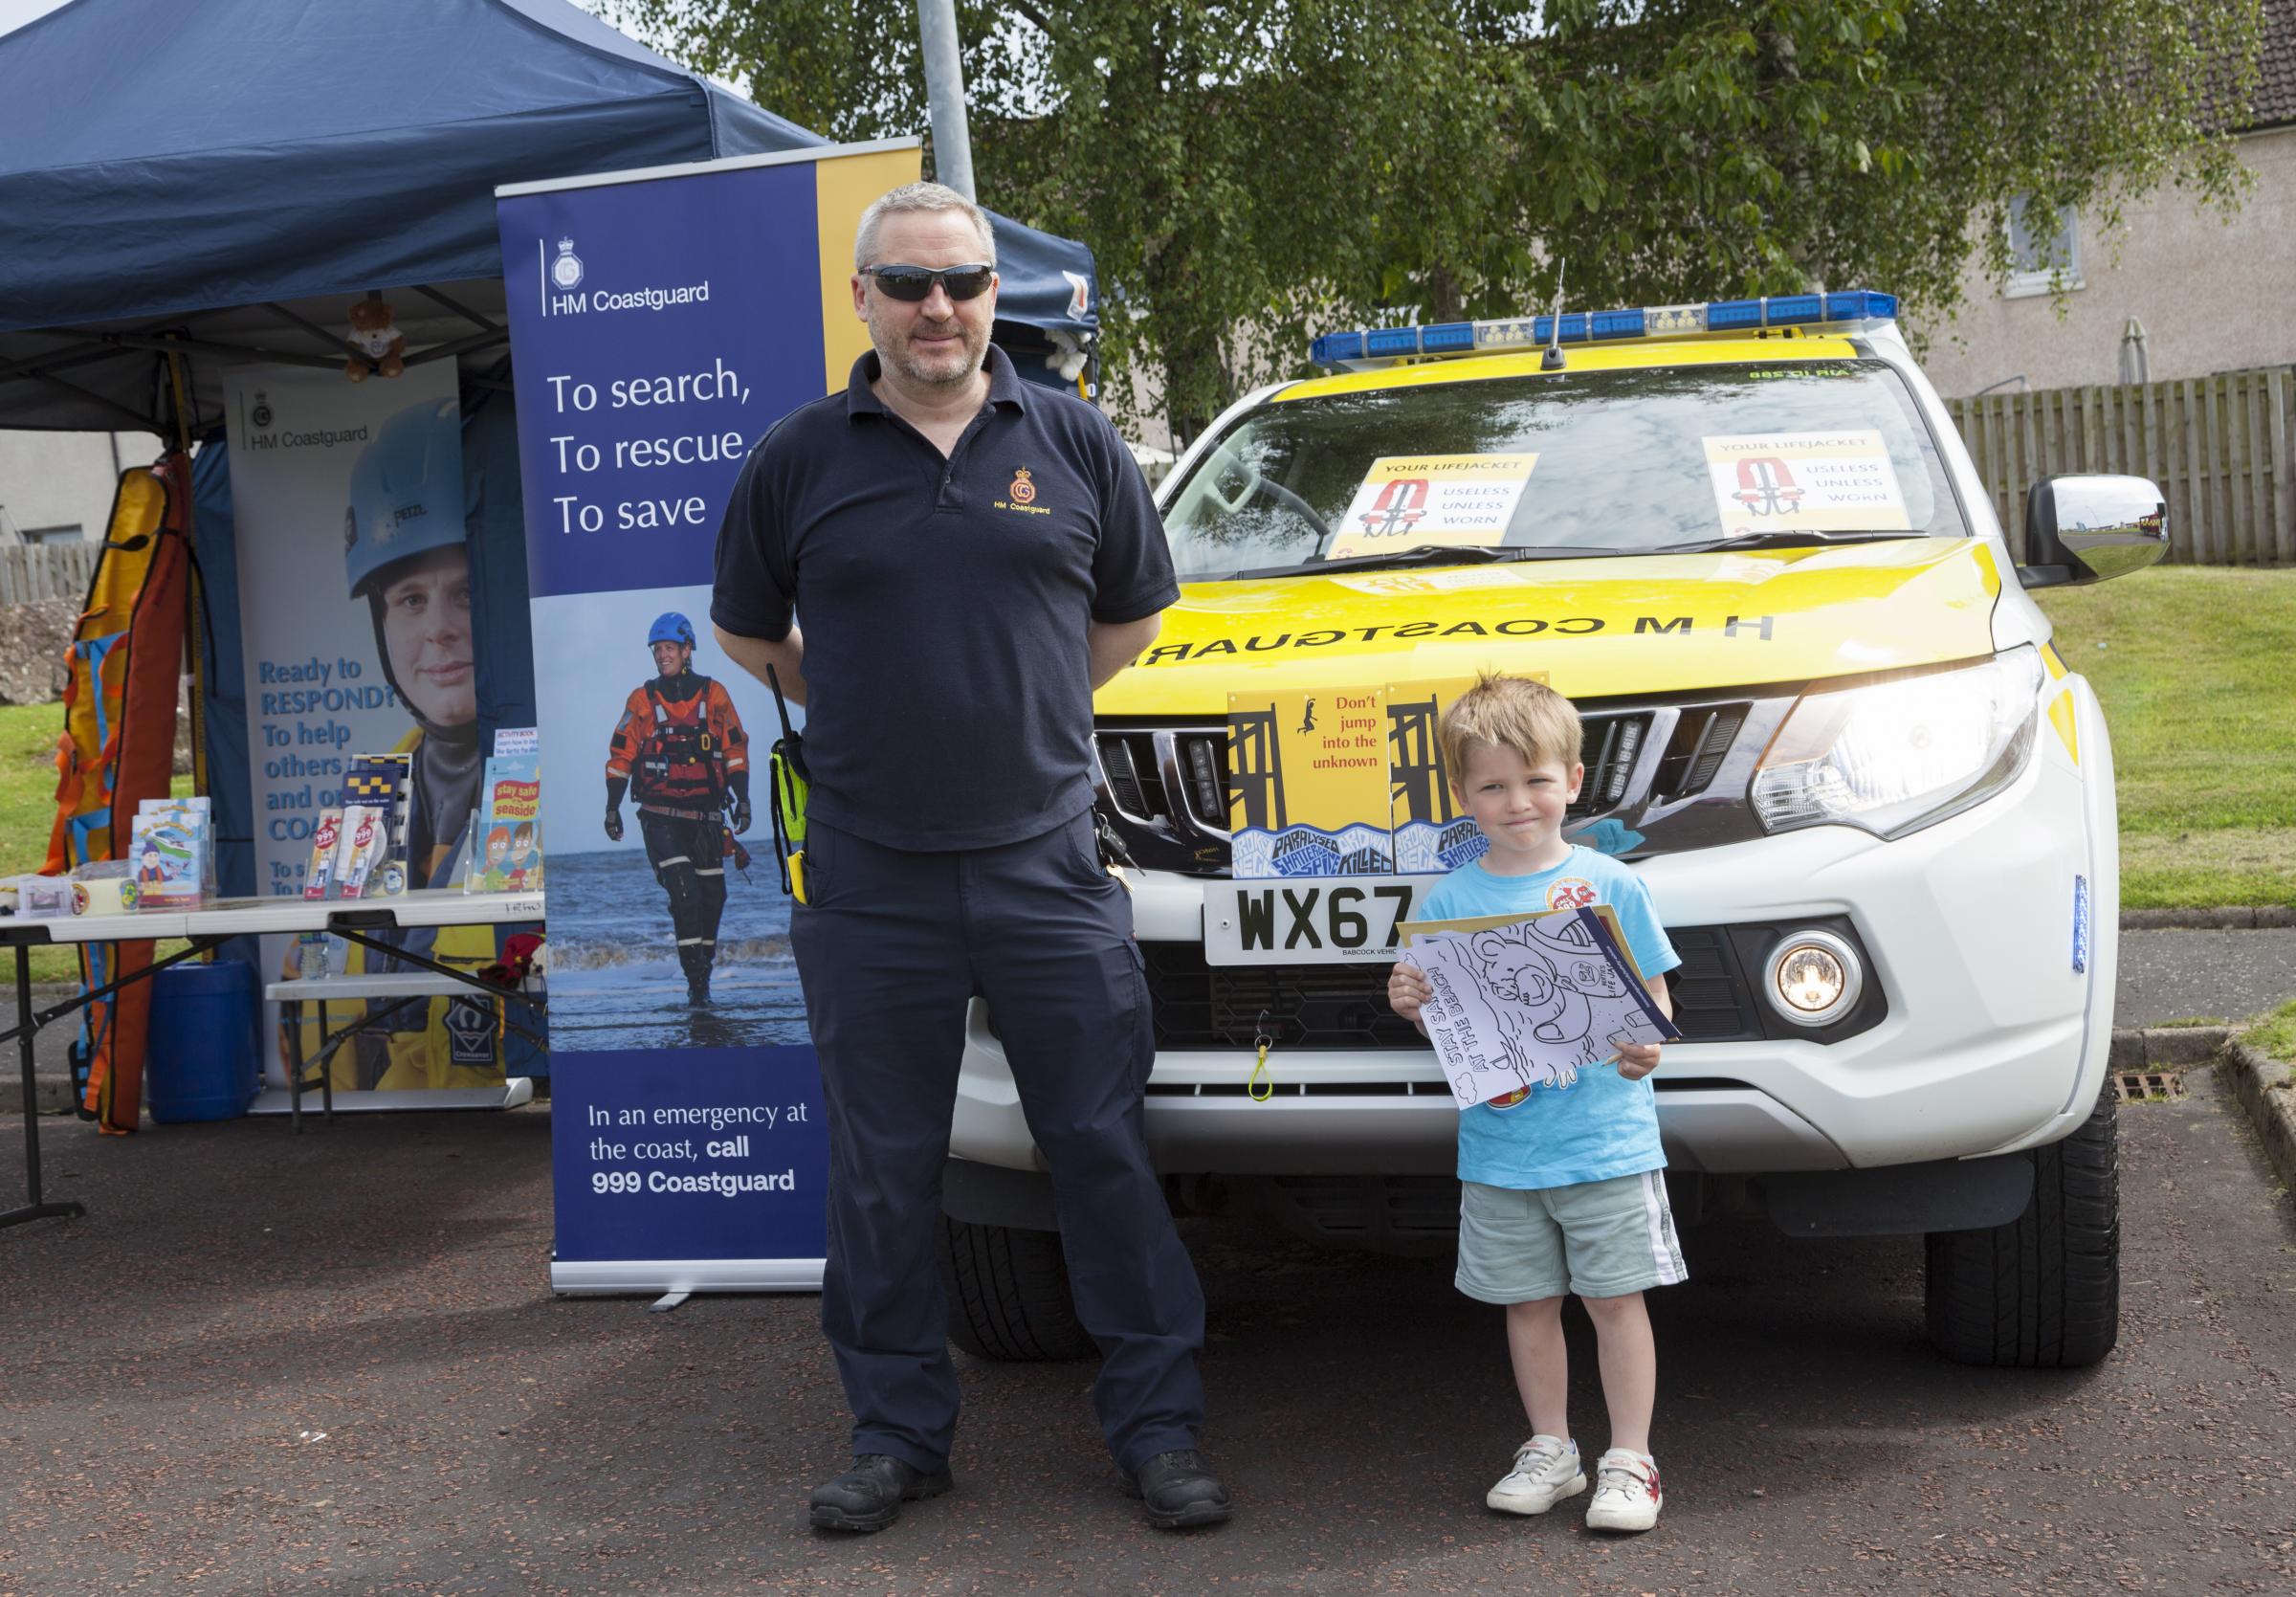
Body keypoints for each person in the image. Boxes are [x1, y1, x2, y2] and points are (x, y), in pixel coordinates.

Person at [710, 182, 1223, 1533]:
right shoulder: (797, 457)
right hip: (871, 876)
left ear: (997, 294)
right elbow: (750, 635)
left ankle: (1158, 1429)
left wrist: (1030, 715)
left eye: (964, 282)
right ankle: (897, 1433)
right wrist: (862, 714)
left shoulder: (1072, 439)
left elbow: (1128, 621)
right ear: (862, 297)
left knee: (1100, 1148)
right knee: (884, 1168)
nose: (939, 307)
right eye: (909, 282)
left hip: (1050, 863)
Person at [1385, 674, 1684, 1535]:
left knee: (1618, 1299)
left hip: (1604, 1141)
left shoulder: (1609, 884)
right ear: (1462, 795)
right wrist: (1410, 993)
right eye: (1493, 784)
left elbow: (1654, 1005)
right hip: (1502, 1149)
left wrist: (1647, 1043)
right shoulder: (1449, 901)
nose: (1518, 801)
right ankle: (1550, 1446)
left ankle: (1632, 1458)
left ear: (1573, 780)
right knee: (1526, 1304)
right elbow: (1449, 1022)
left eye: (1536, 779)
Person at [604, 612, 752, 1007]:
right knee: (684, 895)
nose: (662, 655)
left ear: (687, 650)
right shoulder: (642, 700)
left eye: (669, 648)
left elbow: (735, 750)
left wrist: (745, 799)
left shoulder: (714, 695)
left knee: (713, 897)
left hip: (706, 817)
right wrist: (612, 808)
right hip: (660, 817)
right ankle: (697, 984)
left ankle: (702, 966)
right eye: (657, 650)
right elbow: (621, 755)